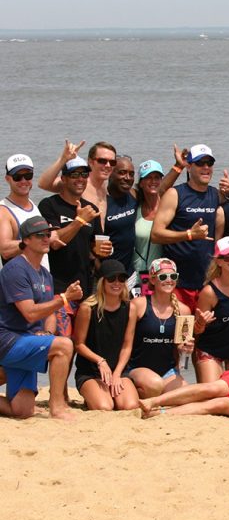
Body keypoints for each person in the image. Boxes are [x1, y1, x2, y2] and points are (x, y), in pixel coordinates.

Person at [0, 216, 82, 419]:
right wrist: (64, 298)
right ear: (26, 240)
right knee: (64, 345)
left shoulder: (45, 274)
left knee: (22, 410)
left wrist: (46, 333)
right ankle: (57, 407)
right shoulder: (15, 269)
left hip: (27, 340)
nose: (46, 238)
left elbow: (49, 314)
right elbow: (30, 312)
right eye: (40, 235)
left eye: (48, 234)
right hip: (8, 340)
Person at [38, 156, 110, 336]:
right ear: (63, 178)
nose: (80, 179)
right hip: (58, 289)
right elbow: (55, 242)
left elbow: (97, 245)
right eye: (74, 174)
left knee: (80, 344)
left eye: (84, 174)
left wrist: (102, 251)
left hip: (85, 290)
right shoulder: (49, 205)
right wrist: (79, 221)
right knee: (63, 343)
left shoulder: (91, 209)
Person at [150, 143, 222, 311]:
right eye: (200, 163)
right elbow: (156, 234)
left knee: (203, 326)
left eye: (209, 163)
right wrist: (189, 234)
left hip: (206, 283)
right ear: (189, 166)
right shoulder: (175, 194)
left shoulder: (215, 194)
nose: (206, 167)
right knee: (179, 327)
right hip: (176, 283)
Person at [72, 260, 139, 411]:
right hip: (91, 371)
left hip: (118, 370)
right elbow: (79, 345)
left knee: (129, 406)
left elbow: (127, 346)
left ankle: (108, 392)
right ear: (102, 281)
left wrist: (117, 374)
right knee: (105, 407)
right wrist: (100, 361)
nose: (117, 283)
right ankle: (93, 395)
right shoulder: (87, 308)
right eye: (111, 278)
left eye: (121, 279)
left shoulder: (130, 308)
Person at [128, 258, 192, 398]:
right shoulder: (138, 304)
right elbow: (125, 343)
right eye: (163, 277)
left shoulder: (184, 310)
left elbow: (184, 362)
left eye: (173, 276)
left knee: (187, 395)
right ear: (152, 279)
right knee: (154, 385)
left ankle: (159, 399)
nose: (169, 280)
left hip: (167, 372)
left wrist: (185, 351)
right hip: (137, 368)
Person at [193, 237, 229, 383]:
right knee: (213, 392)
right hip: (212, 350)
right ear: (218, 261)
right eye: (227, 256)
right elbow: (196, 332)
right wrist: (201, 323)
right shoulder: (209, 292)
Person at [38, 140, 117, 227]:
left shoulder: (107, 187)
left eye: (112, 162)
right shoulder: (78, 184)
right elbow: (43, 184)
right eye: (102, 161)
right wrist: (63, 159)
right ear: (90, 162)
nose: (108, 165)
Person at [1, 154, 49, 268]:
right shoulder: (3, 211)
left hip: (41, 276)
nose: (23, 181)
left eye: (28, 176)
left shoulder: (33, 205)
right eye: (17, 177)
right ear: (7, 179)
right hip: (20, 277)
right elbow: (5, 250)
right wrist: (37, 240)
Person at [132, 159, 166, 277]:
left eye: (157, 177)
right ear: (141, 183)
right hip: (138, 274)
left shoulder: (169, 209)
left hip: (163, 276)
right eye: (148, 177)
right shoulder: (134, 209)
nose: (153, 181)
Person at [103, 156, 137, 270]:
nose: (127, 178)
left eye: (131, 174)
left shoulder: (133, 195)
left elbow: (158, 190)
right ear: (110, 173)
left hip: (129, 272)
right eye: (122, 173)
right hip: (108, 273)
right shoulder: (101, 202)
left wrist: (178, 167)